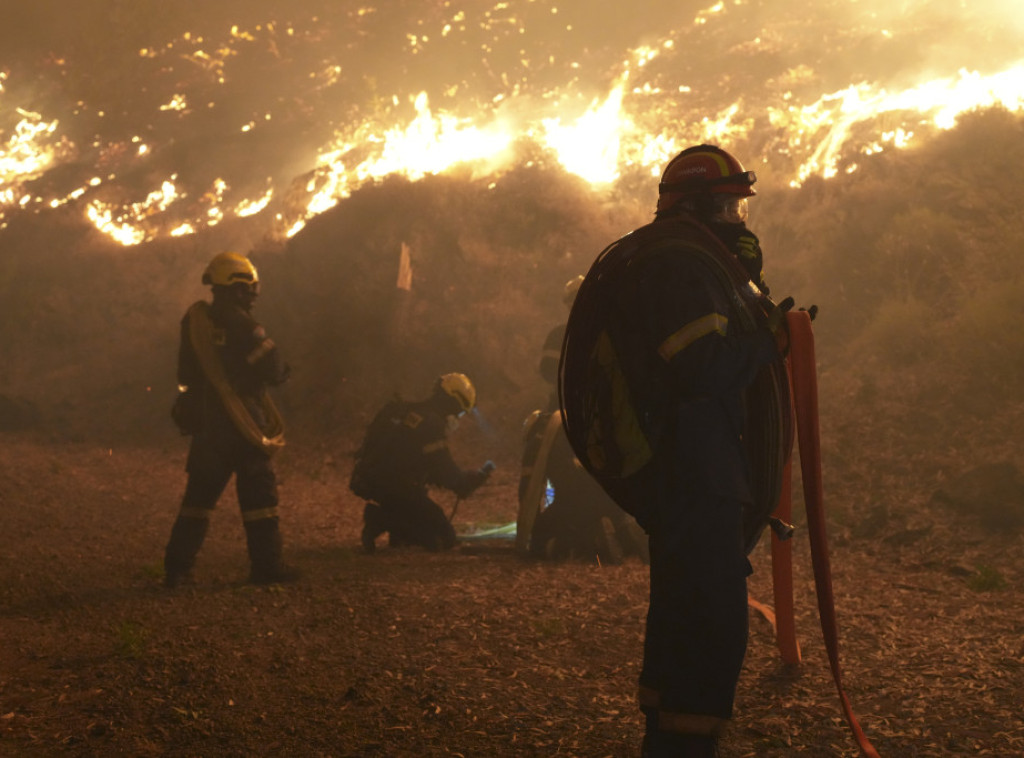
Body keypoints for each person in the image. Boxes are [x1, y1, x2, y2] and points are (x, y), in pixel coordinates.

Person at [559, 145, 793, 757]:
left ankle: (667, 735)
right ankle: (684, 746)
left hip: (691, 463)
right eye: (729, 208)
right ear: (696, 206)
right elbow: (702, 367)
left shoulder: (678, 260)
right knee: (709, 612)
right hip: (690, 466)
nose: (738, 221)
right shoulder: (676, 267)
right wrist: (767, 342)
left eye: (740, 208)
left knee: (686, 601)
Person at [163, 251, 296, 587]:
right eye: (251, 288)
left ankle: (178, 570)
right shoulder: (247, 327)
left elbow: (185, 374)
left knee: (197, 502)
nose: (254, 296)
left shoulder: (194, 322)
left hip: (208, 427)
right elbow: (274, 369)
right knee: (260, 501)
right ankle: (267, 568)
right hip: (244, 425)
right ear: (237, 287)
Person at [350, 373, 494, 552]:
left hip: (374, 481)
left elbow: (421, 463)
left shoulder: (406, 411)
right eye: (460, 412)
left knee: (417, 512)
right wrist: (465, 482)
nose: (458, 417)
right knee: (444, 538)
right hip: (398, 487)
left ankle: (394, 528)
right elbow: (445, 471)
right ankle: (380, 519)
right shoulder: (431, 424)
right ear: (452, 402)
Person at [539, 275, 584, 411]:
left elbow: (547, 369)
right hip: (567, 401)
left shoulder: (558, 334)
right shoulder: (559, 335)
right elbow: (547, 368)